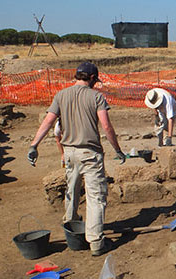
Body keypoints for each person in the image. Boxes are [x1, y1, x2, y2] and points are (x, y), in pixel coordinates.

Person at [27, 62, 126, 257]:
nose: (96, 84)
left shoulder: (61, 95)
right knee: (95, 196)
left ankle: (71, 231)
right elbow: (106, 127)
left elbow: (48, 121)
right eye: (95, 80)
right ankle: (96, 242)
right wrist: (118, 150)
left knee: (71, 191)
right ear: (91, 78)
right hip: (90, 153)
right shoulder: (96, 97)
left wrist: (33, 145)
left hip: (69, 153)